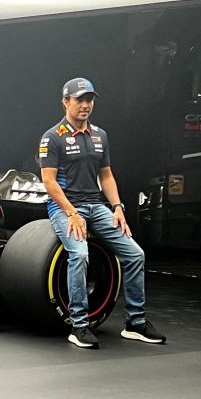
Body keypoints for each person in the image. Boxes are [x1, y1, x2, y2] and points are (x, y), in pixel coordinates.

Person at [39, 77, 165, 349]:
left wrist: (118, 207)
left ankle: (135, 323)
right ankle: (80, 325)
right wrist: (72, 213)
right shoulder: (52, 137)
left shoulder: (100, 135)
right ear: (65, 102)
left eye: (89, 100)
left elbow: (106, 176)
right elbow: (48, 182)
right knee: (80, 254)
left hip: (96, 206)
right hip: (65, 207)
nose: (85, 105)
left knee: (135, 254)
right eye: (79, 100)